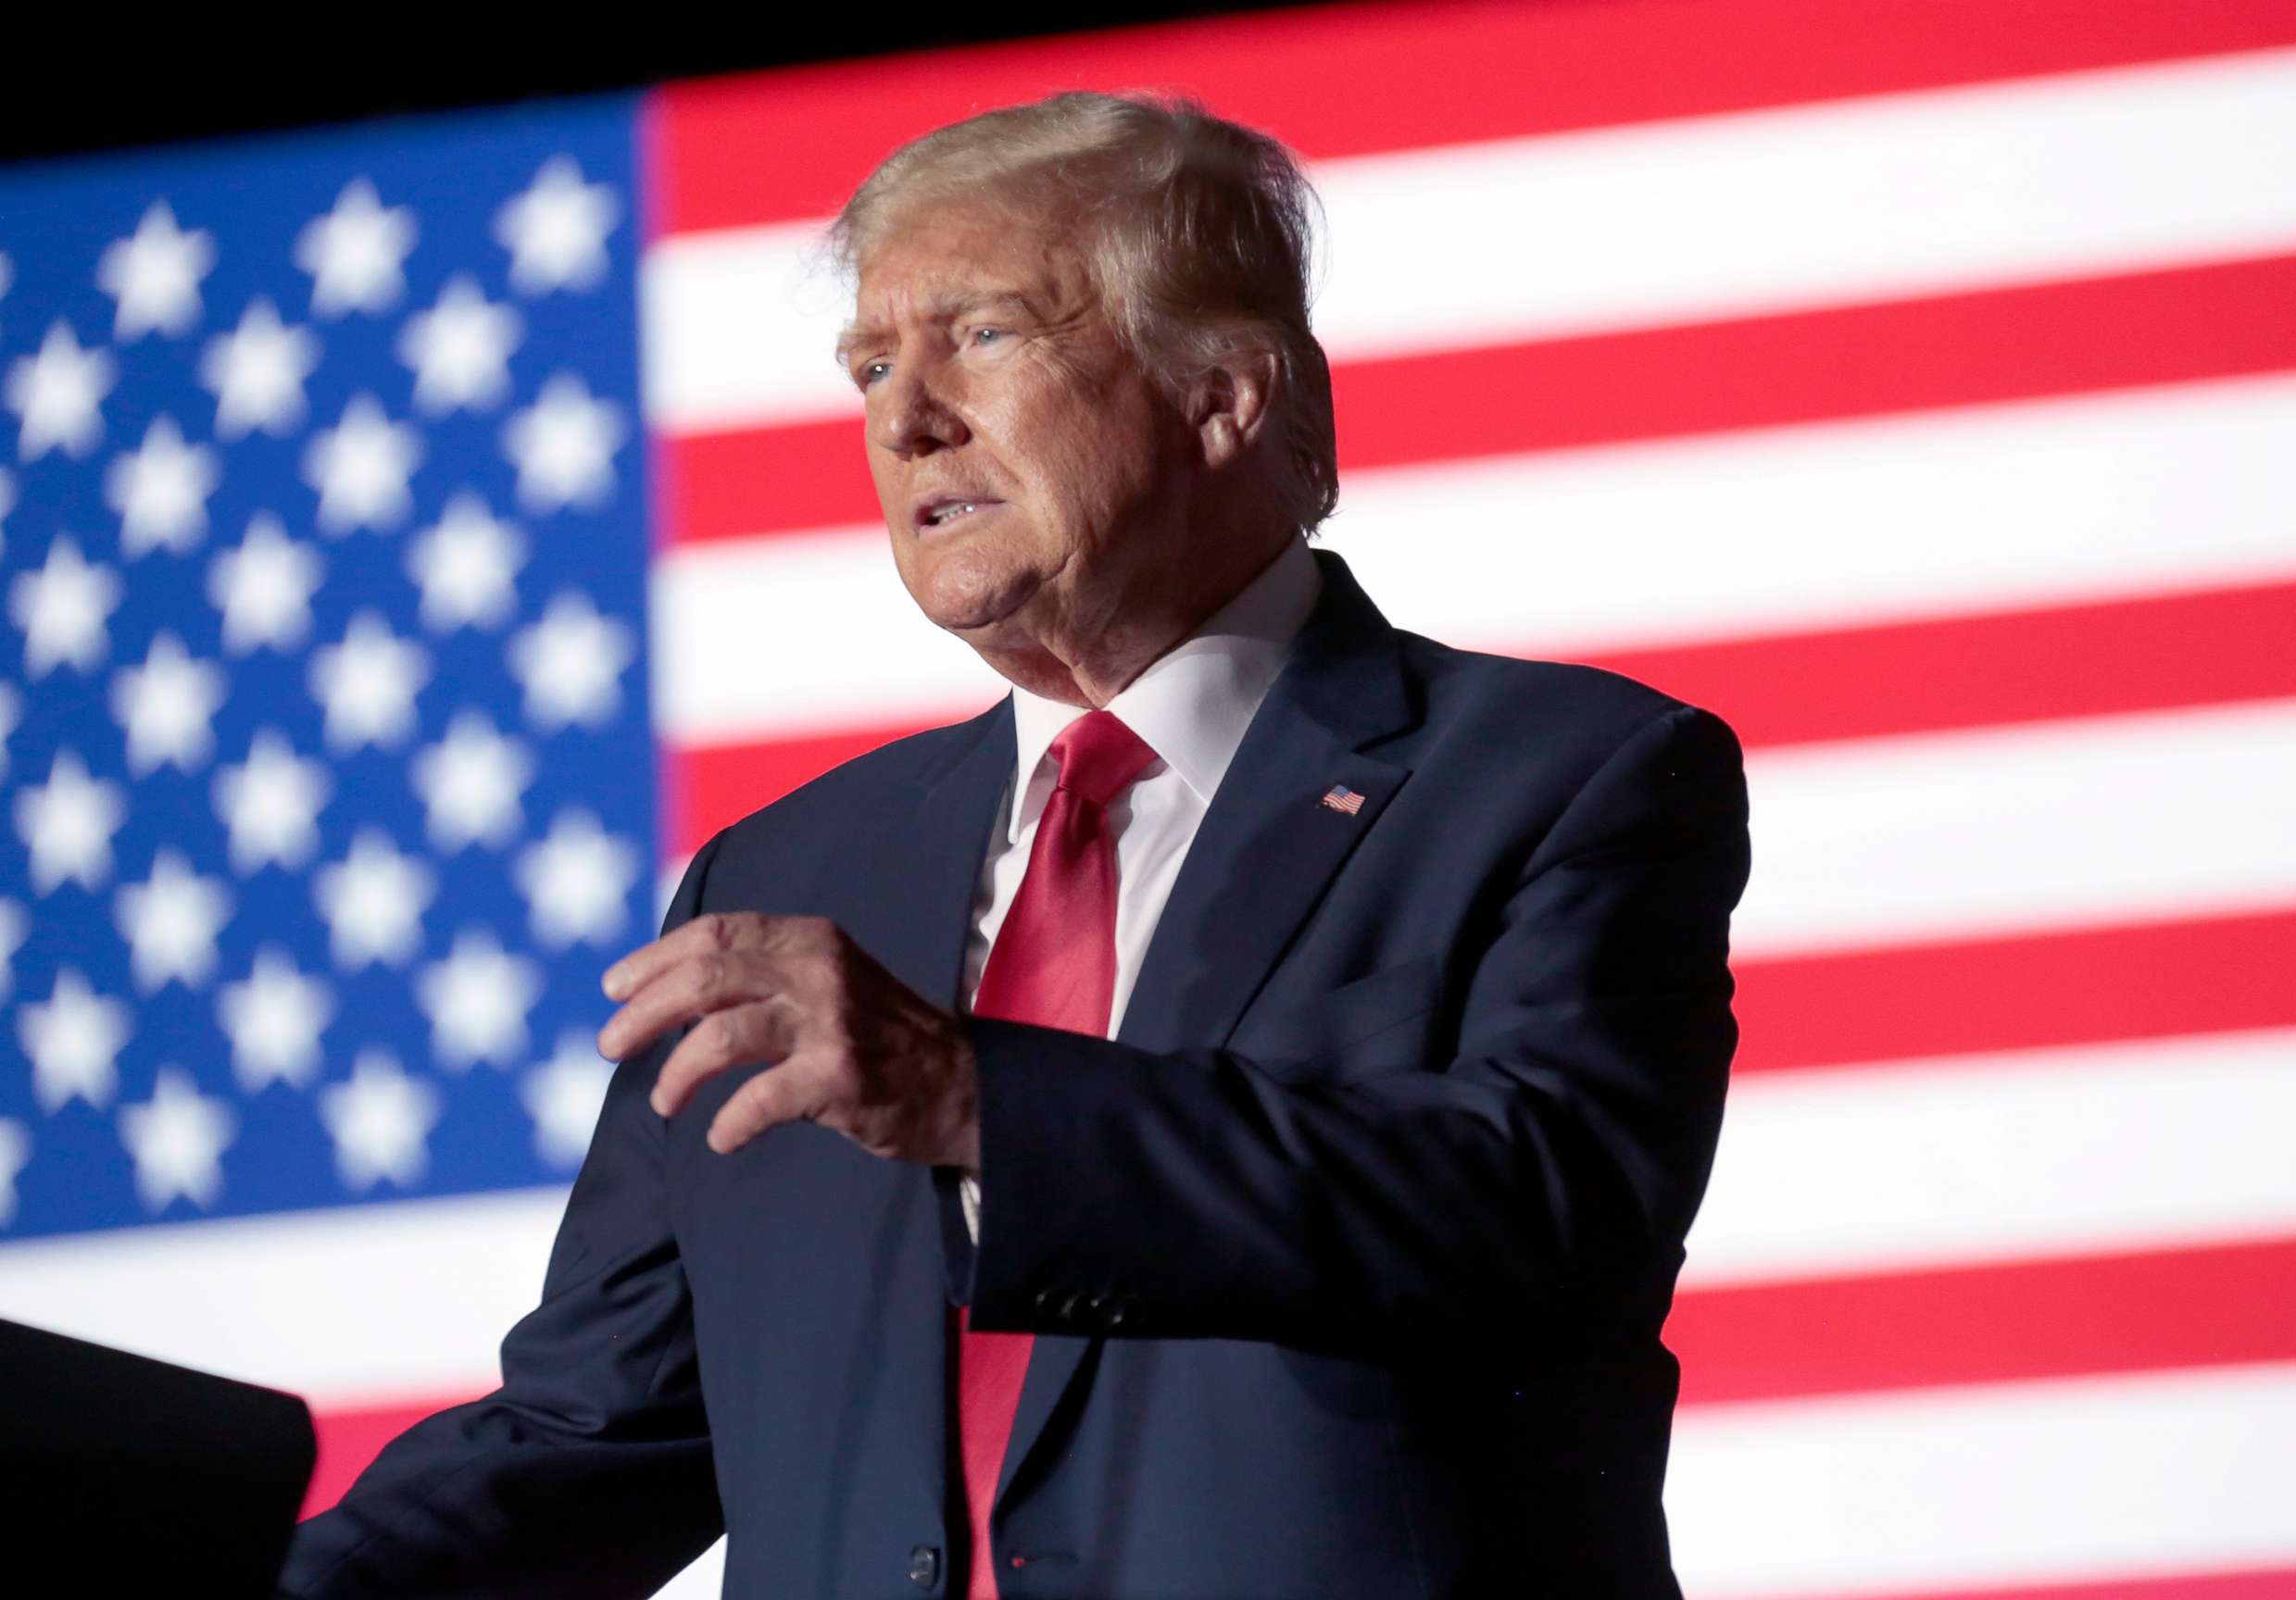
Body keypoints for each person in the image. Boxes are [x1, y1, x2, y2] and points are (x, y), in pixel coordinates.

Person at [282, 92, 1750, 1600]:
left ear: (1224, 395)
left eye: (977, 337)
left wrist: (980, 1097)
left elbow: (1535, 1211)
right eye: (869, 364)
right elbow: (605, 1434)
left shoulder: (1560, 780)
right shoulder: (786, 875)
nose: (900, 418)